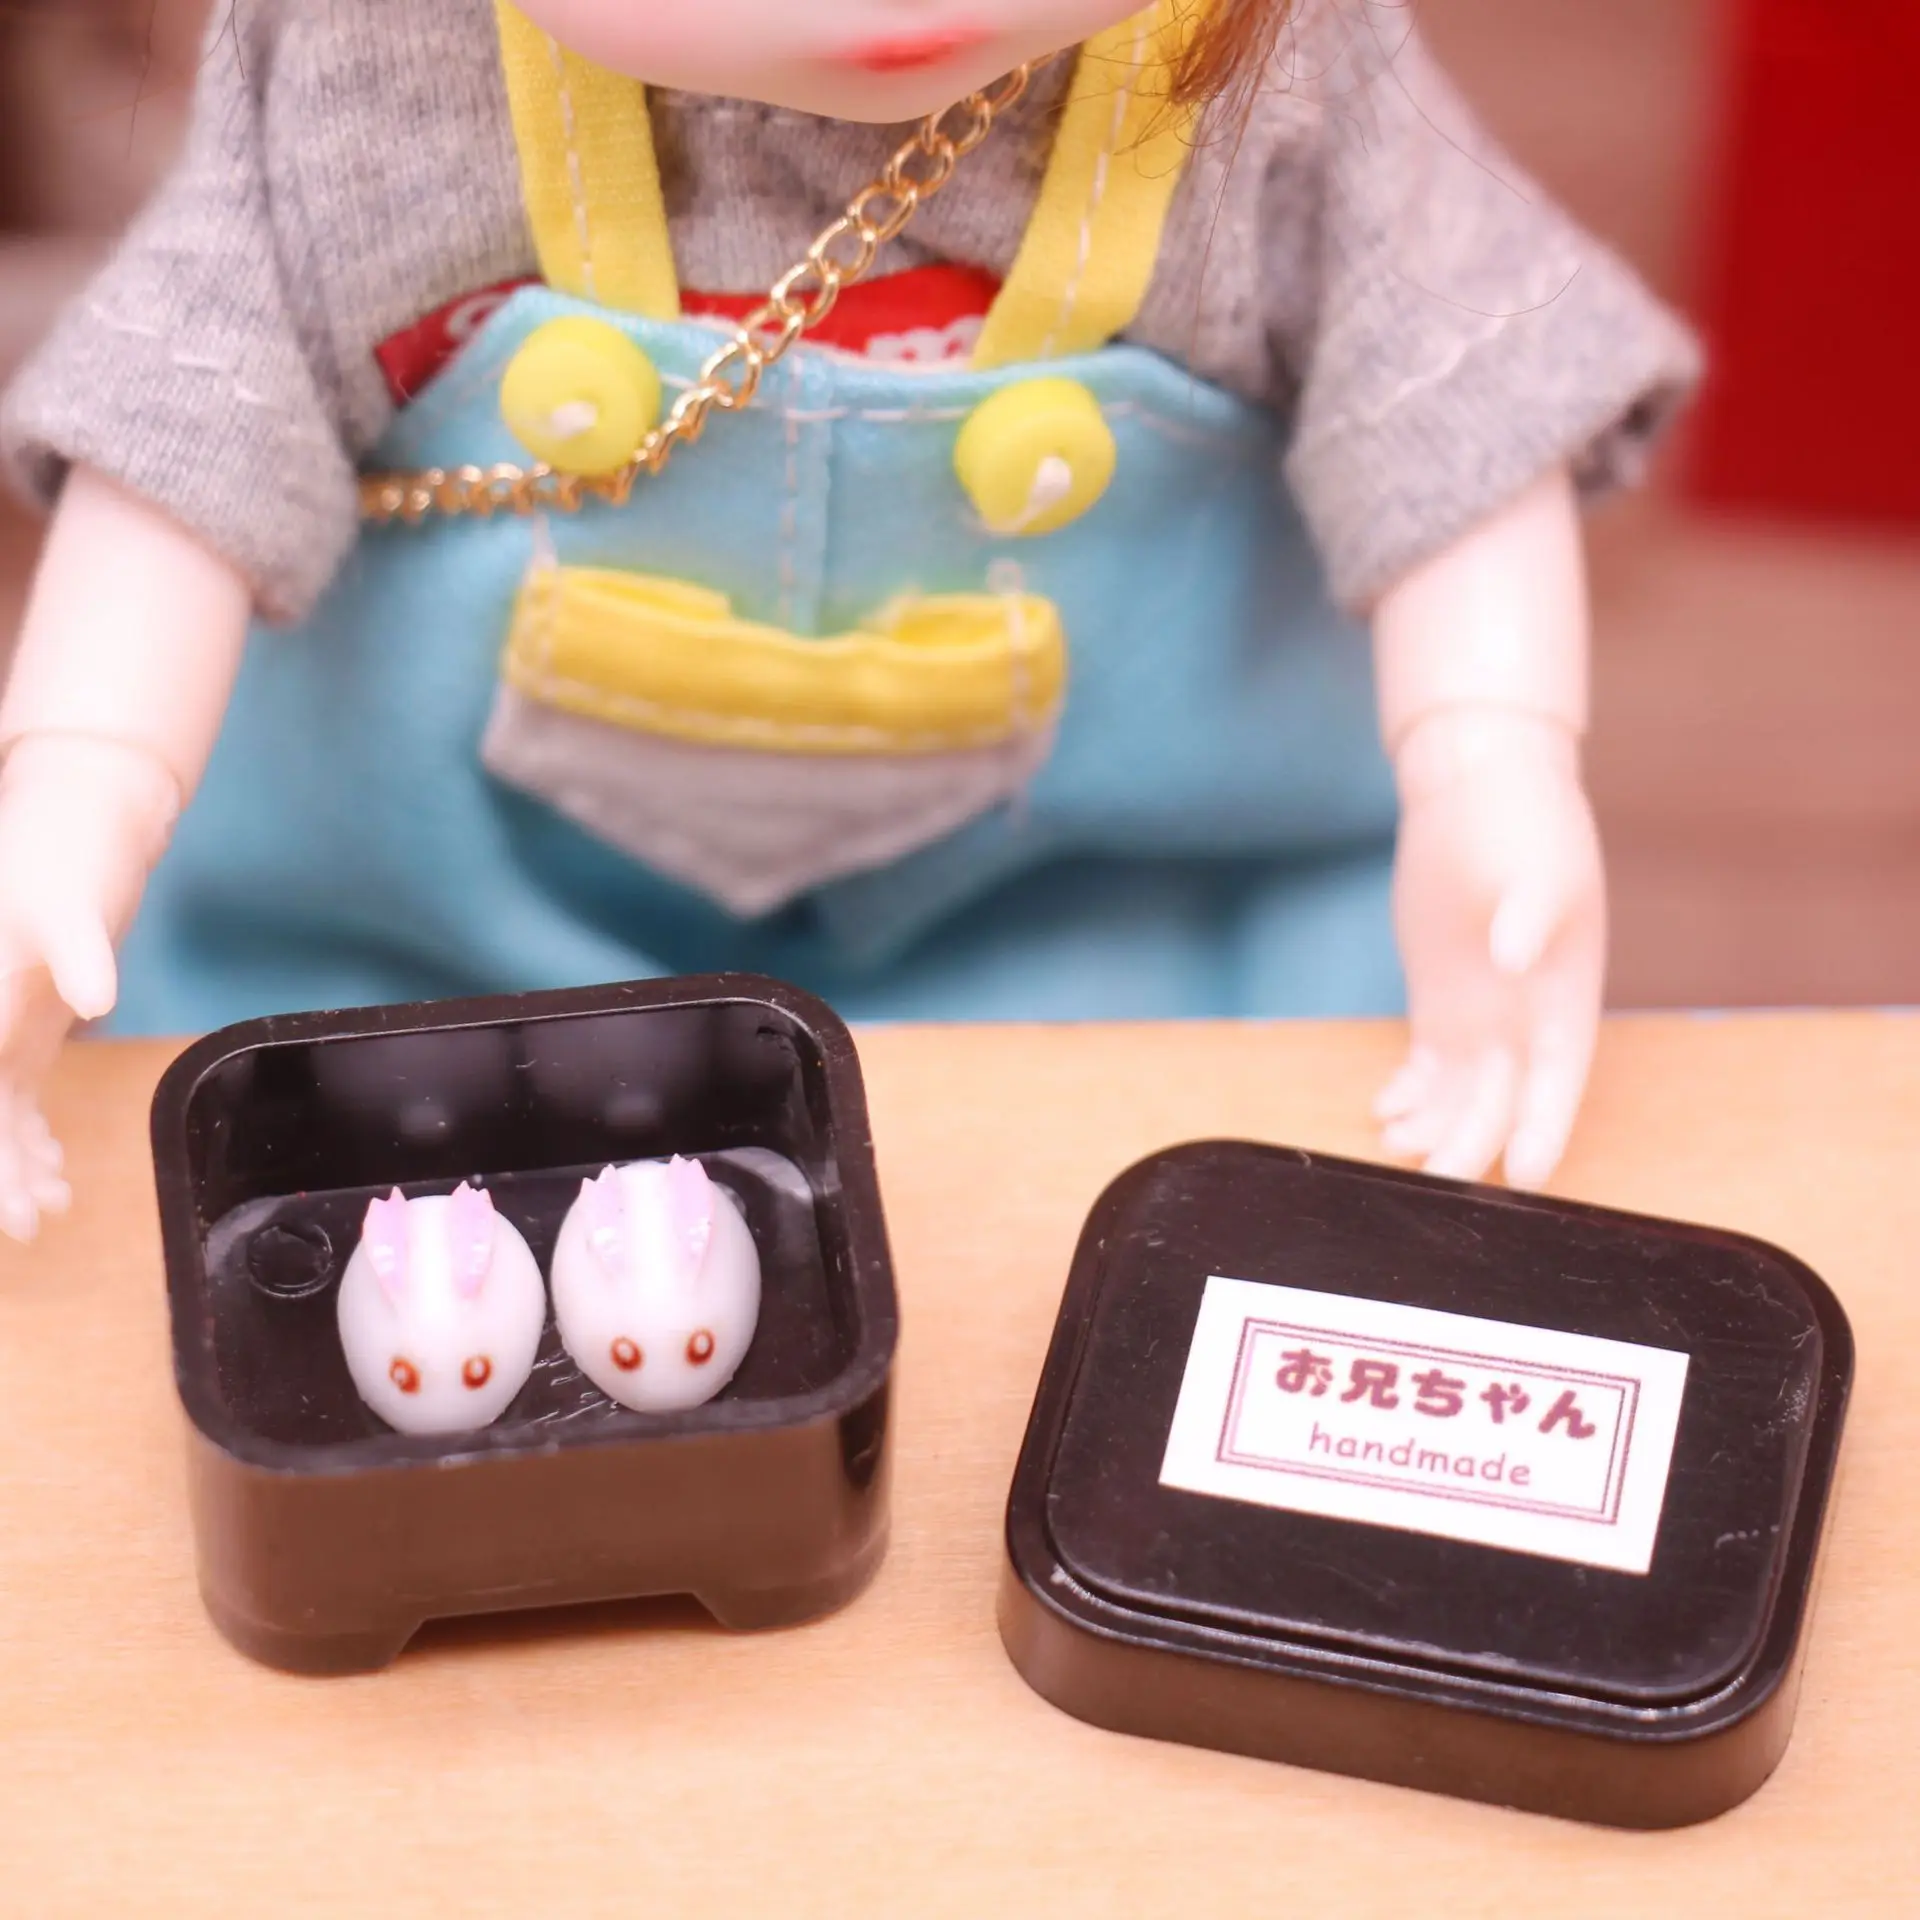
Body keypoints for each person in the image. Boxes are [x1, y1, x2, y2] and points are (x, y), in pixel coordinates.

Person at [0, 0, 1698, 1238]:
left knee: (1217, 1212)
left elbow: (1455, 403)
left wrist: (1490, 758)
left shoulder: (1267, 57)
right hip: (431, 960)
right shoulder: (371, 57)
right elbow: (186, 433)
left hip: (1123, 928)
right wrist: (76, 786)